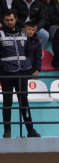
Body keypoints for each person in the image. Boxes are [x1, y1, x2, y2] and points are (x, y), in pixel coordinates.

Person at [0, 10, 39, 138]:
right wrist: (3, 66)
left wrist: (28, 63)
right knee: (7, 102)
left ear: (15, 19)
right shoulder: (0, 34)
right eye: (7, 20)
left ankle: (30, 130)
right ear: (4, 21)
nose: (10, 22)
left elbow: (31, 52)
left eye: (11, 19)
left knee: (24, 102)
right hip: (6, 74)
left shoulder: (24, 34)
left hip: (22, 73)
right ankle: (7, 131)